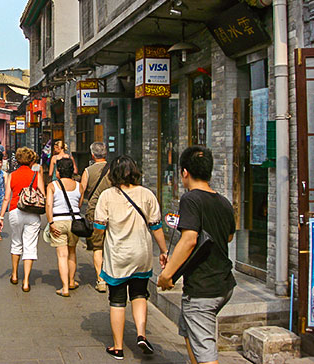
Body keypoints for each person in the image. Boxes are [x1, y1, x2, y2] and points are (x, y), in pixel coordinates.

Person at [157, 146, 236, 364]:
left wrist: (167, 275)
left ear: (185, 172)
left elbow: (190, 239)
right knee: (189, 333)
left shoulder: (190, 199)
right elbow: (228, 236)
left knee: (205, 352)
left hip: (204, 288)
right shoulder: (223, 202)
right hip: (223, 283)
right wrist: (174, 259)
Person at [94, 155, 169, 360]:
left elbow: (99, 228)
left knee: (117, 300)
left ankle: (118, 347)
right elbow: (156, 227)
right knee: (139, 294)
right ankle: (141, 334)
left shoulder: (107, 196)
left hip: (118, 255)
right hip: (142, 254)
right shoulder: (147, 194)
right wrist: (163, 251)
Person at [0, 147, 45, 293]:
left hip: (15, 210)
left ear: (17, 160)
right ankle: (26, 282)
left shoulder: (12, 175)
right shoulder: (36, 175)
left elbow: (6, 197)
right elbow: (42, 194)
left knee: (16, 241)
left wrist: (0, 217)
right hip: (32, 212)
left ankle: (14, 274)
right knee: (30, 245)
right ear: (31, 160)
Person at [45, 158, 83, 297]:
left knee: (62, 255)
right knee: (72, 252)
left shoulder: (52, 186)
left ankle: (65, 288)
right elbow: (79, 205)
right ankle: (72, 281)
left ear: (58, 171)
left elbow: (49, 205)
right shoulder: (79, 186)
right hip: (75, 222)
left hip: (58, 220)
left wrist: (50, 222)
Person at [81, 142, 110, 293]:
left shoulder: (88, 171)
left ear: (93, 155)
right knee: (112, 244)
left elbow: (82, 191)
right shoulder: (113, 170)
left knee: (97, 246)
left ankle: (101, 280)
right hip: (112, 211)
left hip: (94, 212)